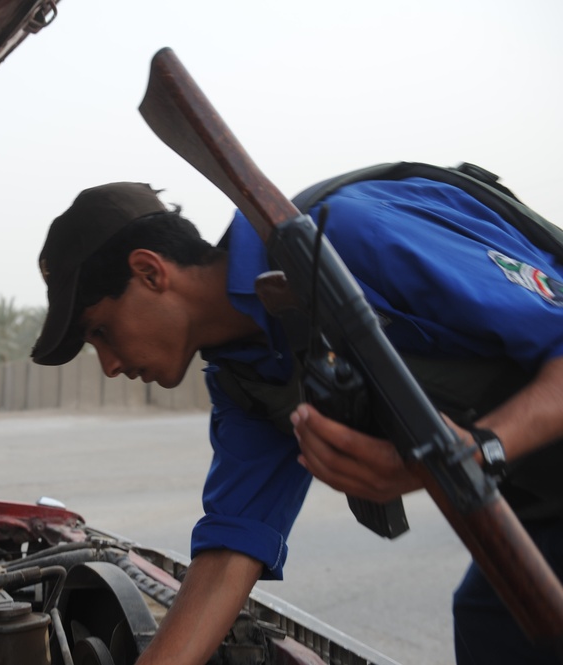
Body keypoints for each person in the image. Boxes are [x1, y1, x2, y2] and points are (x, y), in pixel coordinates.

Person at [30, 179, 563, 664]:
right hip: (539, 513)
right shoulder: (247, 380)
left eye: (100, 332)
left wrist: (478, 451)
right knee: (493, 625)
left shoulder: (355, 237)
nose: (109, 365)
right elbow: (232, 549)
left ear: (150, 272)